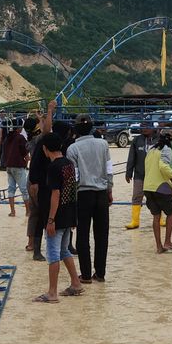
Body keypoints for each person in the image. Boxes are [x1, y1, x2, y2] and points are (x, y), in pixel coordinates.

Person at [33, 131, 83, 302]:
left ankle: (52, 293)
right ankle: (76, 283)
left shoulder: (53, 167)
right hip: (69, 213)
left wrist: (50, 220)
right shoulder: (69, 164)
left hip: (57, 216)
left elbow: (56, 194)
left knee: (53, 254)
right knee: (64, 250)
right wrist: (74, 216)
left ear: (45, 149)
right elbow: (72, 190)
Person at [68, 120, 111, 283]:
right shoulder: (103, 145)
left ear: (76, 131)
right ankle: (100, 273)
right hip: (101, 193)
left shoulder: (73, 148)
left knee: (82, 235)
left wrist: (72, 199)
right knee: (102, 234)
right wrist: (109, 189)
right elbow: (109, 169)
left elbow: (74, 177)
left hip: (83, 194)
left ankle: (85, 275)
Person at [144, 128, 172, 254]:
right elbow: (163, 166)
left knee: (156, 216)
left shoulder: (151, 149)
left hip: (148, 187)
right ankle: (168, 242)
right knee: (170, 212)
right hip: (160, 187)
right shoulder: (166, 149)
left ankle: (159, 246)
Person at [126, 123, 153, 230]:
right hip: (139, 175)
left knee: (156, 197)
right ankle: (135, 221)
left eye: (146, 126)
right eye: (142, 127)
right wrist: (128, 173)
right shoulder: (136, 140)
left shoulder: (157, 139)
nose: (144, 129)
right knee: (137, 196)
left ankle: (160, 219)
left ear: (152, 127)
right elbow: (131, 157)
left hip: (154, 175)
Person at [2, 116, 31, 217]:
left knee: (11, 189)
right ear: (18, 128)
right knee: (24, 190)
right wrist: (27, 162)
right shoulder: (20, 138)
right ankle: (28, 211)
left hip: (9, 166)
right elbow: (26, 153)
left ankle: (12, 211)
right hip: (18, 166)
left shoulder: (7, 137)